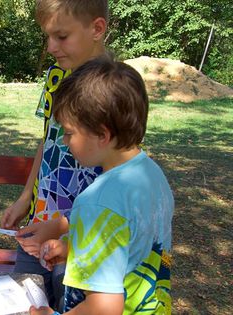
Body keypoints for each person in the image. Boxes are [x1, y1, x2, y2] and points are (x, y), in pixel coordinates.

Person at [31, 56, 174, 314]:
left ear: (102, 134)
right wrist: (72, 249)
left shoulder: (96, 202)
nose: (64, 141)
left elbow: (104, 308)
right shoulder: (153, 177)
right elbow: (130, 244)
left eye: (69, 132)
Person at [0, 0, 107, 309]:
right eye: (47, 36)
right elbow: (48, 140)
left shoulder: (115, 87)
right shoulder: (55, 77)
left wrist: (65, 226)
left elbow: (117, 170)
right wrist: (25, 198)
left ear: (97, 28)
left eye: (61, 37)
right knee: (25, 302)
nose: (50, 47)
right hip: (40, 219)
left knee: (68, 306)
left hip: (81, 236)